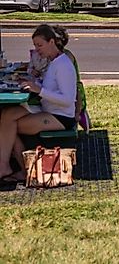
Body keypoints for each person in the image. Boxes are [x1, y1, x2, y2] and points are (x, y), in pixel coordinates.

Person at [0, 25, 77, 182]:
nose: (37, 50)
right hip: (47, 108)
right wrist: (33, 82)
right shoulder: (53, 61)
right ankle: (9, 166)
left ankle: (19, 169)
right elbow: (50, 87)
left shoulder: (63, 65)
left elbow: (68, 100)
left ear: (52, 42)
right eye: (35, 45)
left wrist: (38, 90)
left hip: (60, 116)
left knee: (8, 126)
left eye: (40, 45)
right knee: (7, 115)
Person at [53, 26, 90, 133]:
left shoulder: (66, 56)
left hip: (75, 92)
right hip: (69, 92)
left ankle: (81, 117)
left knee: (77, 114)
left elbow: (71, 83)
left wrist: (77, 111)